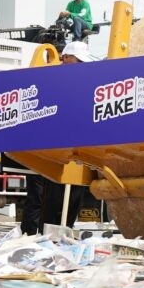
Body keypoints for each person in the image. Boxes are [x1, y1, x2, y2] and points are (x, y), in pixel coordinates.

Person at [40, 41, 92, 229]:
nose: (79, 66)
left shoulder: (83, 80)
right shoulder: (53, 77)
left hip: (79, 148)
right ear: (67, 57)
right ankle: (47, 234)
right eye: (77, 61)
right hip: (57, 148)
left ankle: (66, 231)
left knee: (75, 191)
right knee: (54, 194)